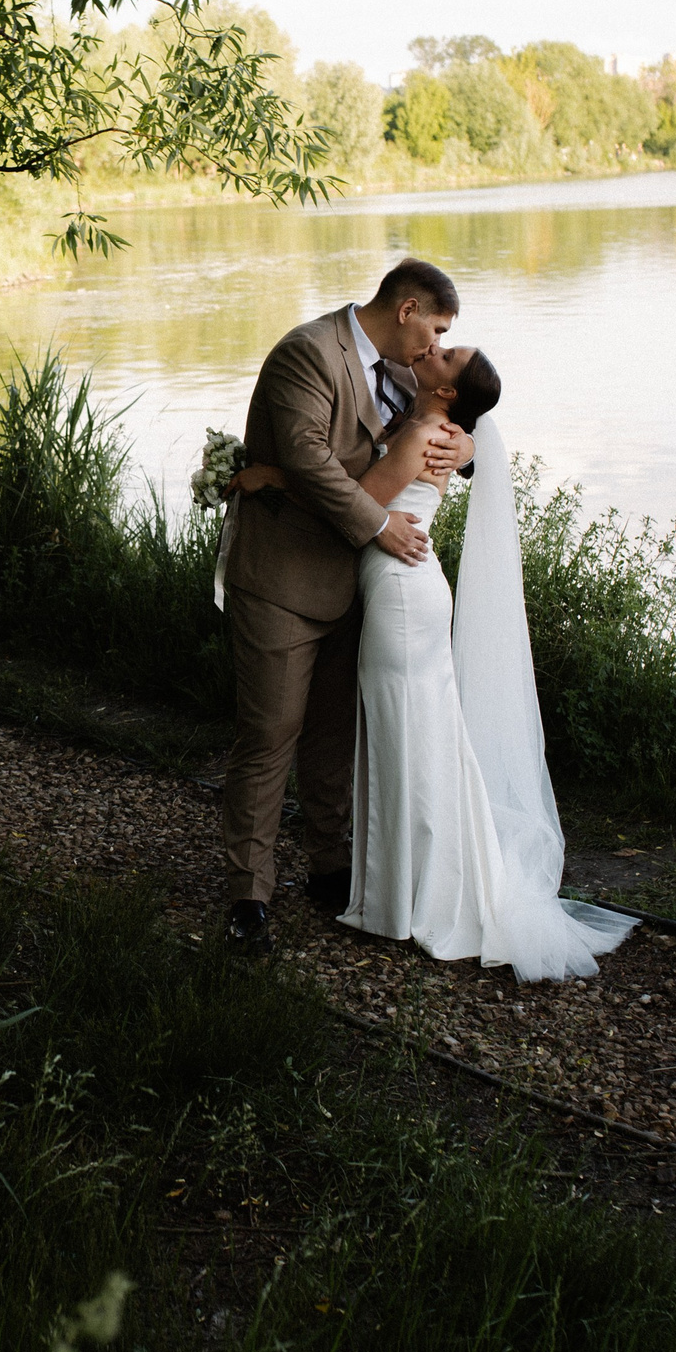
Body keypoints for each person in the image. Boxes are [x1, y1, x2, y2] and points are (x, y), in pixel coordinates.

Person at [231, 337, 636, 981]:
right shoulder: (428, 419)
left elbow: (354, 500)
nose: (434, 349)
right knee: (420, 739)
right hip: (405, 591)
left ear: (448, 390)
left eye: (447, 355)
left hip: (399, 597)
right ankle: (415, 881)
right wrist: (467, 443)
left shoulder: (426, 431)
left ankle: (412, 896)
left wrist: (270, 476)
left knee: (407, 738)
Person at [216, 259, 475, 954]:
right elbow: (309, 462)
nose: (435, 344)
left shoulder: (397, 368)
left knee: (333, 738)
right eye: (437, 328)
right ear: (407, 306)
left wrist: (468, 444)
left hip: (356, 586)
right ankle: (249, 896)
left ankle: (330, 869)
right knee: (271, 733)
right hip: (282, 578)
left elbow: (434, 417)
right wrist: (380, 525)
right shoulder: (308, 352)